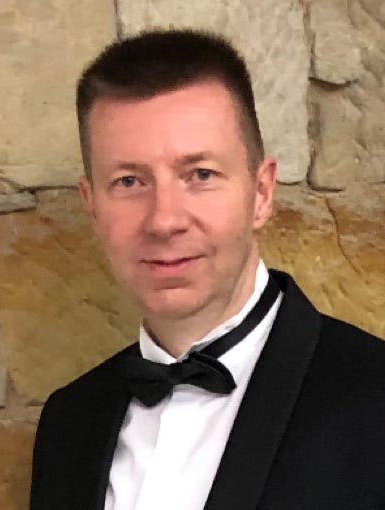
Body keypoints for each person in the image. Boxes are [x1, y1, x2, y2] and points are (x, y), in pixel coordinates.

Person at [29, 30, 385, 510]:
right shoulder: (68, 423)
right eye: (129, 181)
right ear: (92, 205)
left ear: (261, 194)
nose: (164, 220)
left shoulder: (375, 398)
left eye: (200, 175)